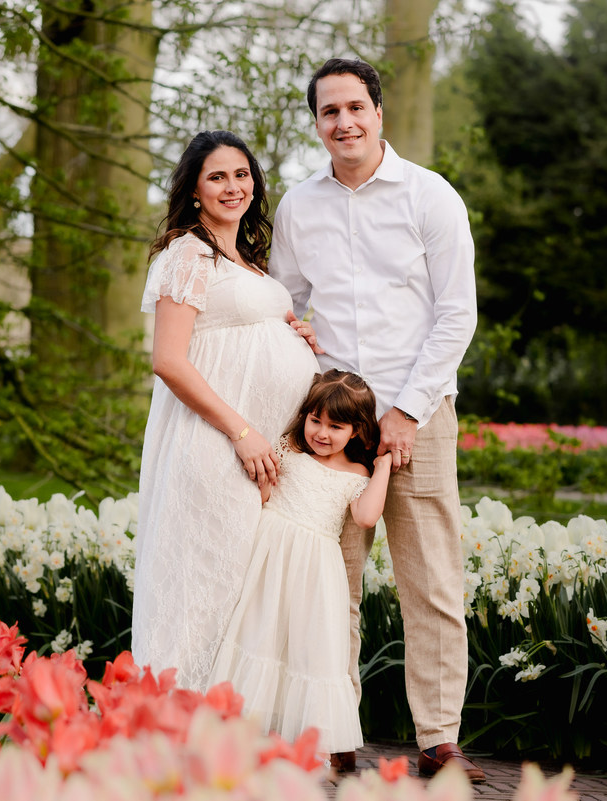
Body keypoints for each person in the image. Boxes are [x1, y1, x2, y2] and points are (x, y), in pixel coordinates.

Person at [270, 58, 484, 781]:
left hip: (420, 413)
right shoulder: (299, 207)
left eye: (355, 107)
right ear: (318, 122)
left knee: (432, 584)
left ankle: (439, 739)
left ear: (379, 111)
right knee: (334, 586)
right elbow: (285, 302)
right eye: (329, 112)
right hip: (332, 427)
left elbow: (457, 314)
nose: (344, 122)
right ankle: (335, 734)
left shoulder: (431, 197)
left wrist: (406, 408)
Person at [131, 130, 320, 691]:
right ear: (193, 190)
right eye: (217, 176)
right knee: (201, 588)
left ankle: (223, 736)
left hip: (256, 453)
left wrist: (293, 336)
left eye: (242, 174)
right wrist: (243, 432)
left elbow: (238, 335)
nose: (233, 186)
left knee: (239, 595)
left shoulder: (245, 259)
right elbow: (168, 360)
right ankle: (171, 724)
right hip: (215, 447)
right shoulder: (188, 252)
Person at [208, 369, 393, 758]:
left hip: (314, 569)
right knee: (259, 631)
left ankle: (305, 743)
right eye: (315, 420)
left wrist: (384, 466)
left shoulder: (356, 473)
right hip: (270, 554)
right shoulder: (290, 449)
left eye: (336, 426)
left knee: (305, 647)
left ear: (357, 431)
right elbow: (264, 492)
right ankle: (240, 732)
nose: (322, 433)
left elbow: (366, 517)